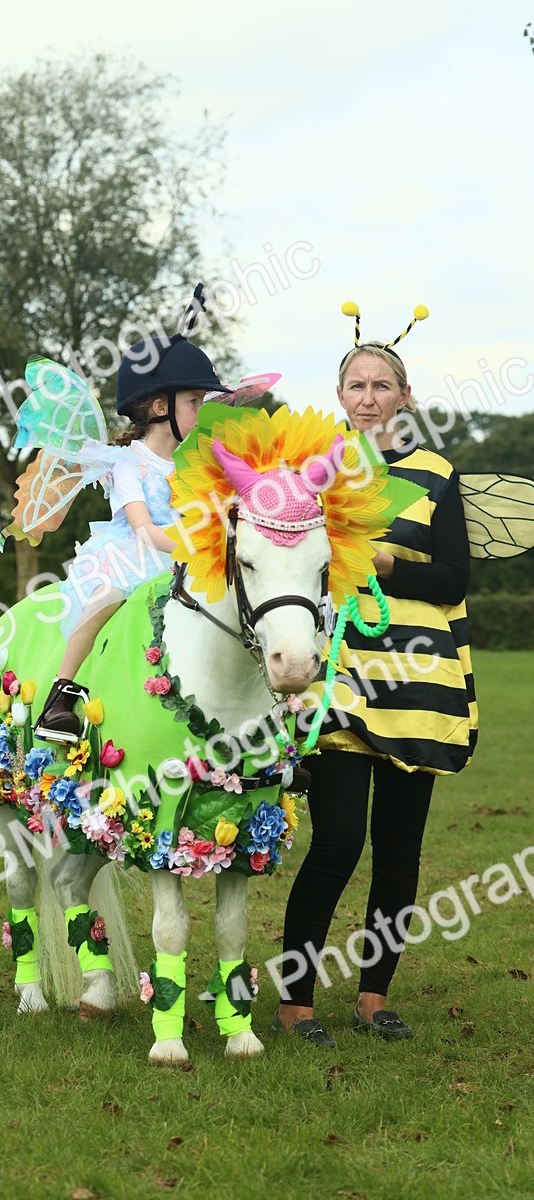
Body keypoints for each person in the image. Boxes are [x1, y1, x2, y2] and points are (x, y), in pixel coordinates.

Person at [273, 304, 477, 1047]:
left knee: (398, 851)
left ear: (405, 397)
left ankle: (372, 996)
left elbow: (454, 579)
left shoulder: (436, 477)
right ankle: (295, 1001)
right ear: (340, 397)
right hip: (338, 680)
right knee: (336, 844)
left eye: (381, 384)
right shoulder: (311, 474)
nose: (368, 396)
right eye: (355, 384)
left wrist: (388, 563)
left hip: (418, 685)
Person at [35, 328, 232, 741]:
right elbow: (143, 528)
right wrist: (191, 546)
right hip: (134, 554)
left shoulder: (197, 464)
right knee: (105, 596)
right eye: (195, 402)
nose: (202, 411)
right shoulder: (130, 463)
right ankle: (61, 694)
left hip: (184, 556)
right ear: (161, 406)